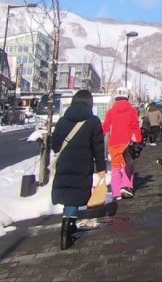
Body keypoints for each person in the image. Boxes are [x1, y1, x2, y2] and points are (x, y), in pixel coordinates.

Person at [50, 89, 106, 251]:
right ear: (90, 103)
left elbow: (55, 145)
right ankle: (67, 231)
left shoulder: (62, 121)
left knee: (67, 193)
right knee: (75, 196)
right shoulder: (93, 121)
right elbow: (98, 148)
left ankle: (68, 223)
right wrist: (101, 168)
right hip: (83, 165)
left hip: (64, 163)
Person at [101, 94, 142, 199]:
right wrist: (138, 140)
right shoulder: (132, 111)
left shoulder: (110, 112)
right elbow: (135, 126)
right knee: (128, 165)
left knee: (115, 167)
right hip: (127, 143)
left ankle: (116, 192)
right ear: (127, 99)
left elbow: (105, 127)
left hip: (114, 143)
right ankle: (126, 186)